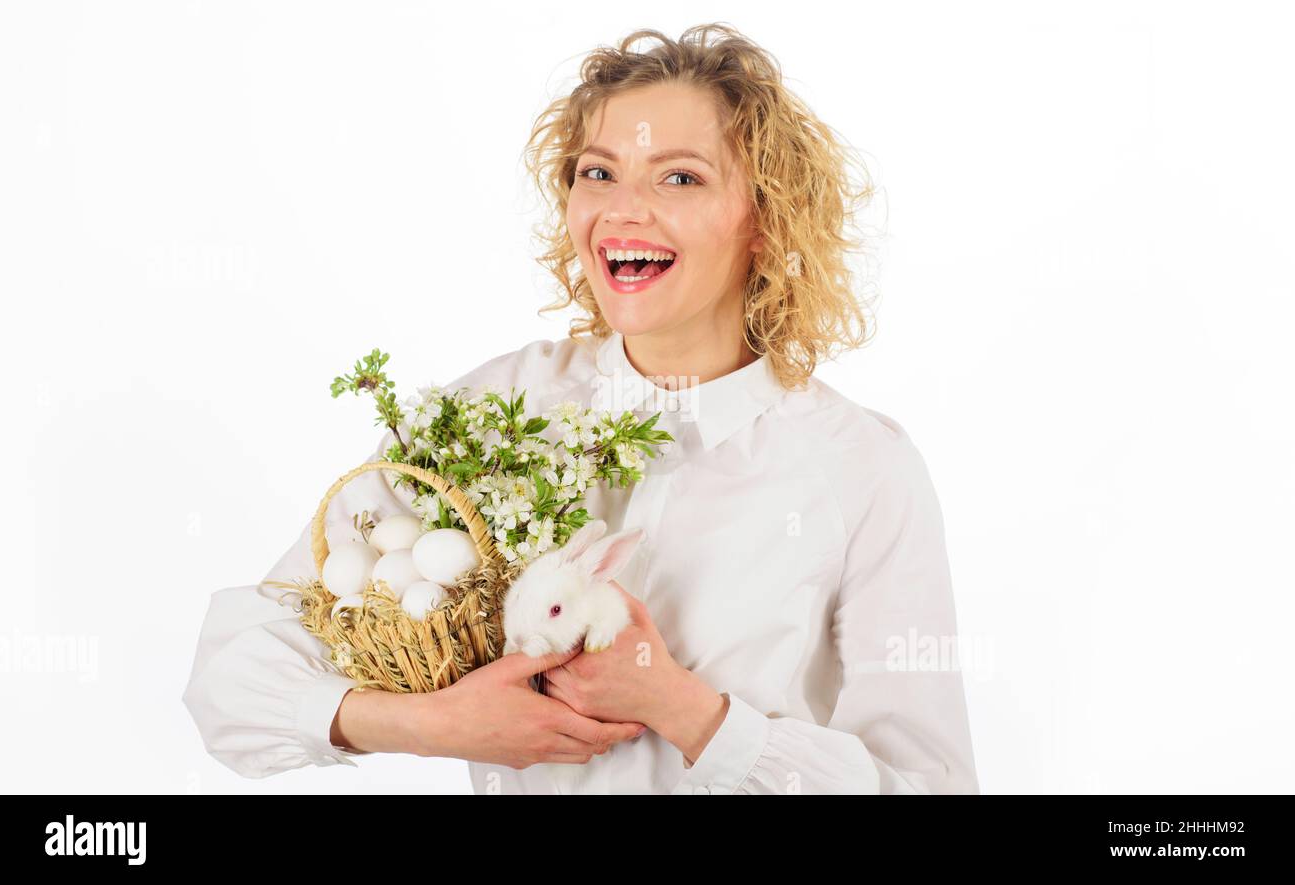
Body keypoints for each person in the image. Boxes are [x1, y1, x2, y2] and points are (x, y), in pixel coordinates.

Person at [182, 23, 980, 794]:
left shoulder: (861, 470)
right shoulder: (490, 415)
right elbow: (231, 674)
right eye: (597, 172)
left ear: (765, 221)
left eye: (680, 177)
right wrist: (435, 722)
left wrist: (686, 710)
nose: (623, 210)